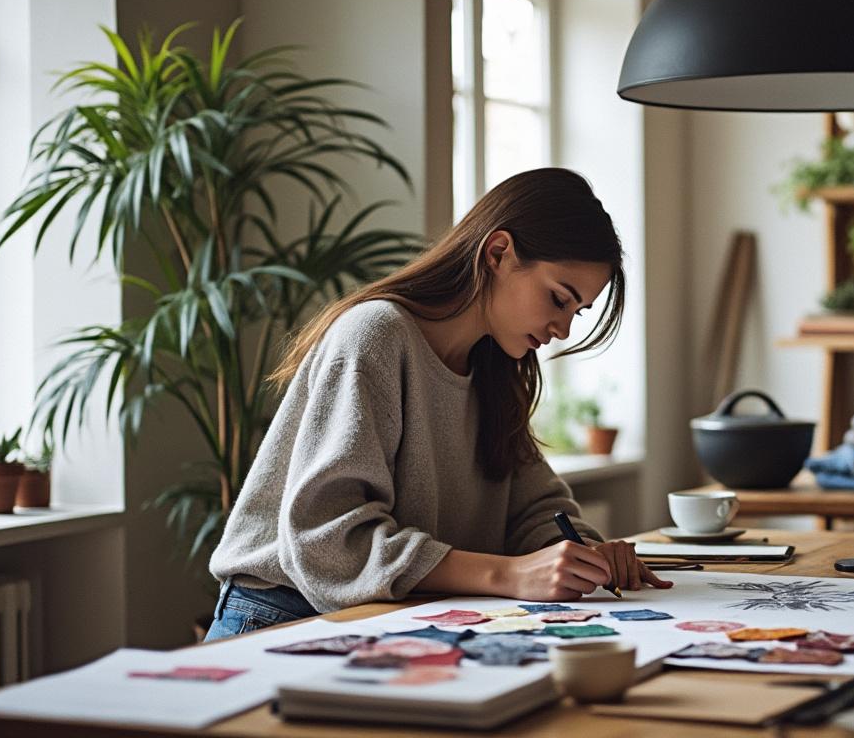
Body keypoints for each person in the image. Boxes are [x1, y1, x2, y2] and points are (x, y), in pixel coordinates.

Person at [204, 168, 671, 641]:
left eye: (576, 311)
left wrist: (579, 555)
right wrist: (509, 575)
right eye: (558, 299)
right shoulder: (375, 335)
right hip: (285, 616)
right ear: (498, 253)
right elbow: (327, 541)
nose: (563, 330)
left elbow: (535, 510)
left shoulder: (496, 366)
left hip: (395, 619)